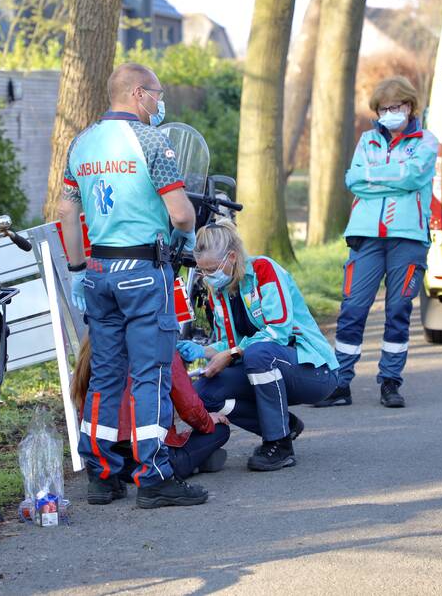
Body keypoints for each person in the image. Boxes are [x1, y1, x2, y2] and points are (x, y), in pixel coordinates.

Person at [57, 62, 207, 509]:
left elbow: (66, 212)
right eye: (157, 94)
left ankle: (101, 476)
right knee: (150, 374)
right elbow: (181, 213)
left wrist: (78, 269)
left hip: (99, 273)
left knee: (104, 374)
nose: (160, 103)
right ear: (139, 93)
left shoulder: (81, 143)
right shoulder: (151, 141)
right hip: (143, 271)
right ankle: (154, 476)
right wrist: (184, 237)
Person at [317, 76, 438, 409]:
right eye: (382, 109)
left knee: (398, 310)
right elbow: (353, 180)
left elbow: (414, 176)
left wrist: (375, 175)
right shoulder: (367, 140)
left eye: (394, 107)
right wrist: (394, 176)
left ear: (409, 106)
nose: (388, 114)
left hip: (408, 237)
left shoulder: (426, 141)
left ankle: (390, 381)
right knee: (353, 309)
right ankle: (340, 383)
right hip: (366, 236)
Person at [181, 220, 341, 471]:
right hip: (263, 362)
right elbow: (229, 344)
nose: (208, 277)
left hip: (314, 371)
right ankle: (284, 425)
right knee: (204, 392)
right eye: (202, 271)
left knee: (258, 354)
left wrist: (232, 353)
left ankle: (279, 444)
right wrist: (202, 351)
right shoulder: (217, 291)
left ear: (232, 257)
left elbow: (278, 331)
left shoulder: (264, 269)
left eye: (211, 269)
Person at [70, 338, 231, 501]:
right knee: (220, 430)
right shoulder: (158, 340)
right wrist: (207, 420)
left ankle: (105, 481)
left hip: (108, 461)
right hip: (149, 459)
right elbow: (189, 407)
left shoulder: (96, 344)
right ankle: (188, 465)